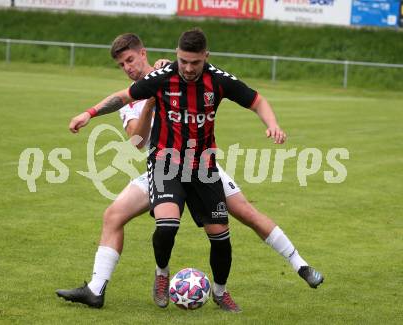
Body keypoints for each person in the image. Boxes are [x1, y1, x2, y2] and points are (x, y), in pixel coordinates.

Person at [57, 32, 323, 312]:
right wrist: (133, 103)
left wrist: (273, 124)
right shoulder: (146, 90)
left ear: (144, 53)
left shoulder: (193, 75)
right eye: (121, 65)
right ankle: (114, 285)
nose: (128, 68)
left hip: (202, 165)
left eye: (130, 60)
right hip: (163, 163)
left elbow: (254, 99)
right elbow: (137, 141)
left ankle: (297, 266)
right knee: (139, 220)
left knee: (239, 218)